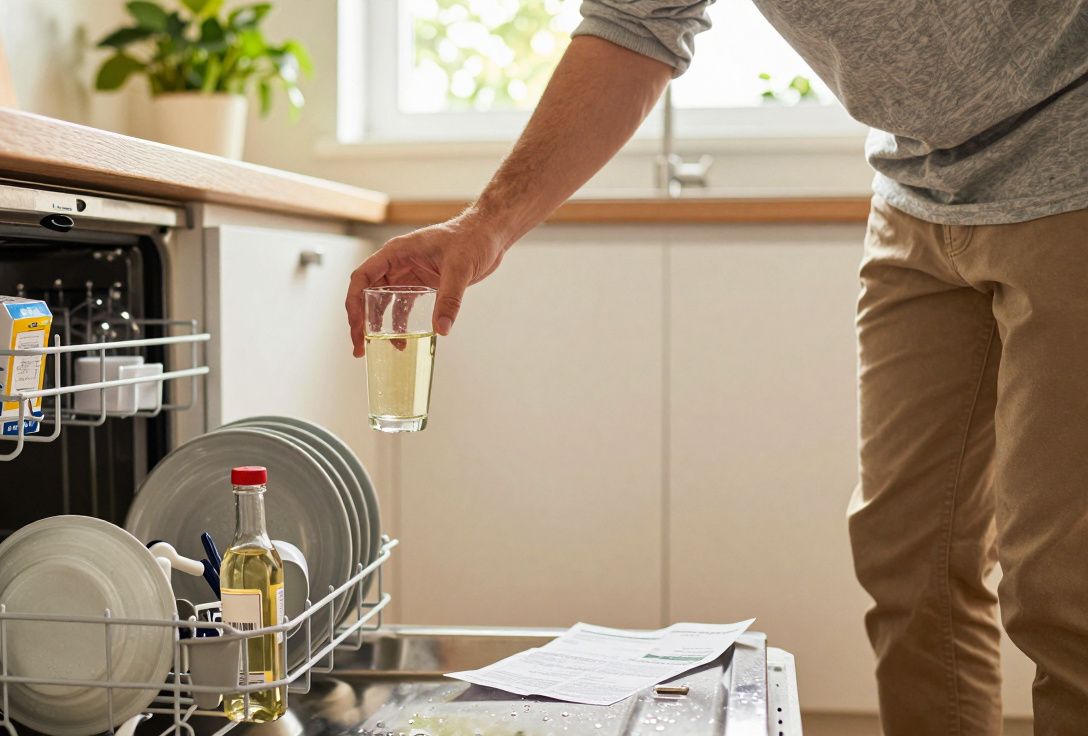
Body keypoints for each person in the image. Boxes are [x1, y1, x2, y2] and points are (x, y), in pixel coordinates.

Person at [343, 1, 1088, 734]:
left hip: (1070, 166)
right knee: (907, 564)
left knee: (1058, 584)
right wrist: (483, 228)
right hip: (918, 191)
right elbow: (635, 26)